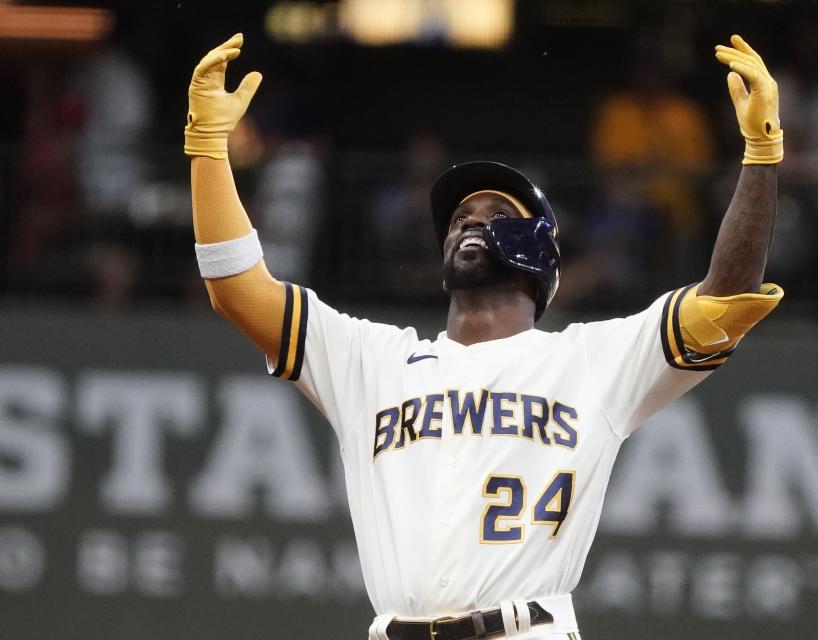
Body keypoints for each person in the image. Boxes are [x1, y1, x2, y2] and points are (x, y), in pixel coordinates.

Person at [185, 33, 784, 640]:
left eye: (498, 218)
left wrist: (762, 153)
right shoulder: (370, 361)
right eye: (459, 221)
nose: (469, 225)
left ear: (540, 256)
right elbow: (238, 292)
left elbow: (725, 298)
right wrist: (208, 148)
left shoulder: (592, 359)